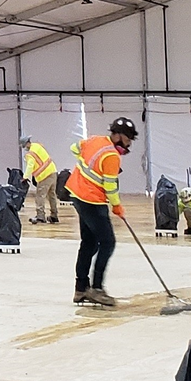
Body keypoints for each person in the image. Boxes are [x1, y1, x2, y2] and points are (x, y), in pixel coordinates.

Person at [66, 117, 136, 307]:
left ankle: (81, 288)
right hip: (91, 200)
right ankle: (96, 289)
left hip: (76, 194)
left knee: (88, 242)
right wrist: (117, 207)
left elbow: (74, 148)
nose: (129, 143)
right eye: (129, 139)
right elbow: (110, 186)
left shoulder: (94, 140)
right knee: (108, 242)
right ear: (120, 136)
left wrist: (84, 164)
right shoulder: (112, 155)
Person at [22, 136, 59, 224]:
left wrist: (25, 177)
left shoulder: (30, 154)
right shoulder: (37, 146)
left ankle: (40, 216)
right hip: (53, 171)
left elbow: (30, 166)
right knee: (52, 195)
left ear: (27, 144)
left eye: (24, 146)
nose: (25, 148)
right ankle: (54, 216)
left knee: (40, 196)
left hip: (44, 176)